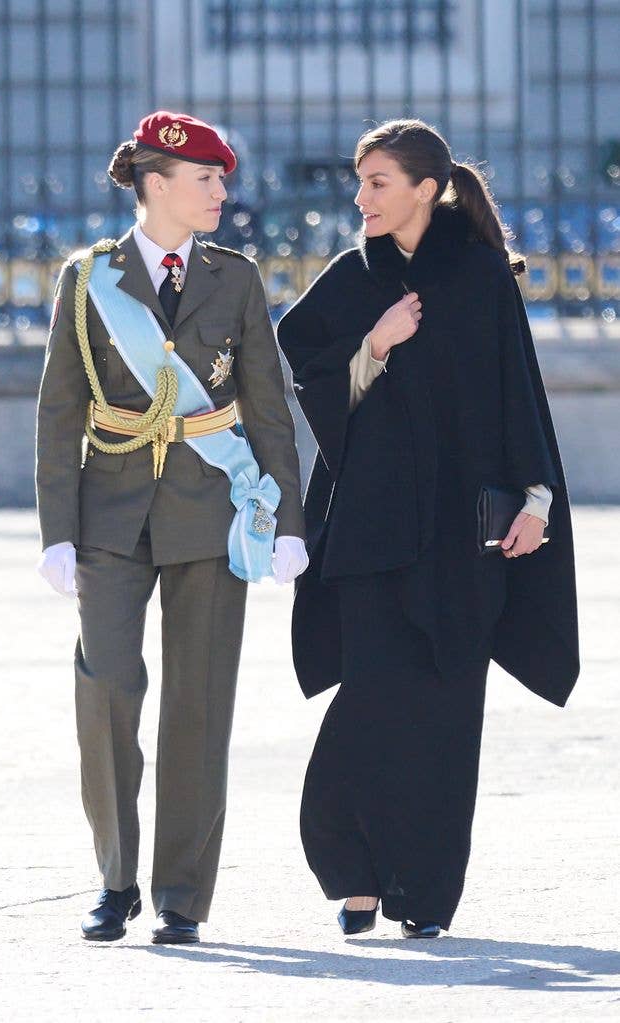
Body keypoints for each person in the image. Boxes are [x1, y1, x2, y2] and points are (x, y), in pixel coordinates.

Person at [277, 119, 579, 939]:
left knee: (448, 713)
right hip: (372, 531)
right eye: (359, 181)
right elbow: (309, 369)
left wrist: (537, 500)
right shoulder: (352, 278)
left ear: (426, 188)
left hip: (462, 536)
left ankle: (425, 894)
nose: (361, 197)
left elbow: (519, 390)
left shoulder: (479, 275)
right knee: (371, 703)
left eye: (377, 181)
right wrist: (374, 344)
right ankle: (355, 874)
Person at [36, 110, 308, 944]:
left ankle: (182, 895)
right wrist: (56, 530)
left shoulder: (236, 278)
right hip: (111, 514)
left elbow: (267, 405)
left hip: (210, 512)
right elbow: (59, 409)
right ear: (156, 183)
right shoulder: (90, 278)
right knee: (107, 689)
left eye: (221, 178)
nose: (222, 191)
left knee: (199, 703)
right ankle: (115, 879)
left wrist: (288, 520)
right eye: (206, 178)